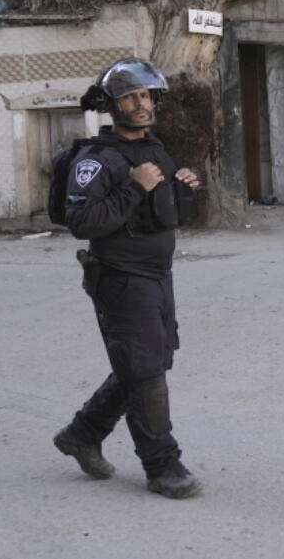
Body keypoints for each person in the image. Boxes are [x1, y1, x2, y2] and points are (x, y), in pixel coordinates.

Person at [53, 58, 203, 499]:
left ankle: (82, 434)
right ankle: (162, 465)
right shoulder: (94, 160)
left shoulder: (155, 149)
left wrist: (184, 187)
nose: (141, 104)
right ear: (111, 105)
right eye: (129, 97)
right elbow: (83, 221)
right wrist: (134, 186)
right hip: (120, 278)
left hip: (159, 275)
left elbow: (167, 216)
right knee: (145, 371)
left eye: (145, 95)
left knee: (150, 364)